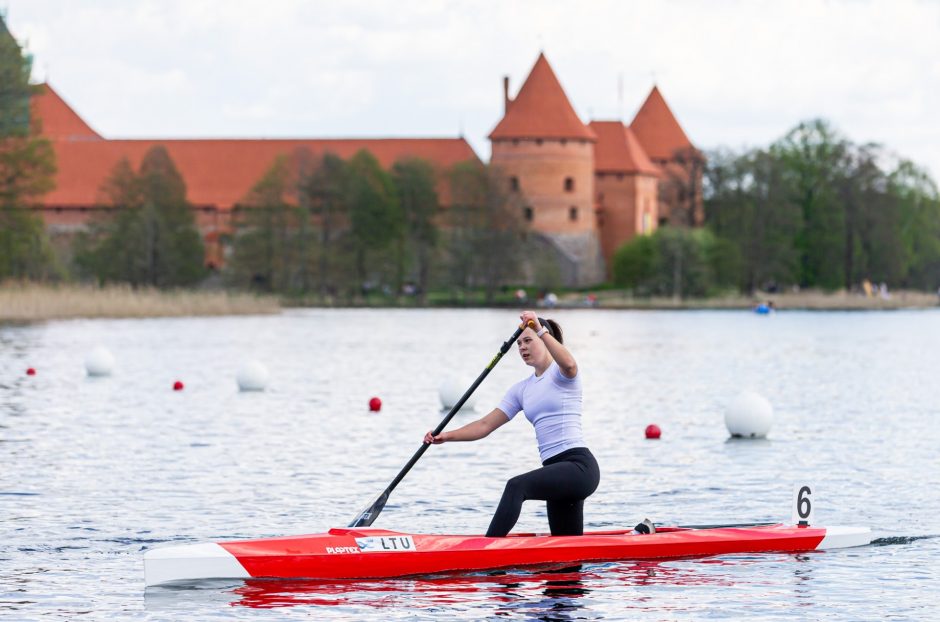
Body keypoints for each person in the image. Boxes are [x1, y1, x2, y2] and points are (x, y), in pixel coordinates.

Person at [424, 310, 601, 537]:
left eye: (528, 340)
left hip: (579, 467)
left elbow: (570, 364)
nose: (522, 348)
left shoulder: (561, 375)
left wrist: (540, 328)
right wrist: (445, 436)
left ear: (544, 338)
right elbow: (485, 425)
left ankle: (487, 550)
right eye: (518, 344)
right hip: (556, 472)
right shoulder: (521, 389)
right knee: (566, 555)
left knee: (517, 486)